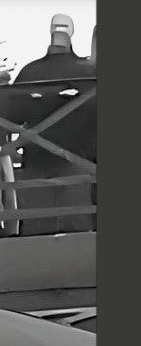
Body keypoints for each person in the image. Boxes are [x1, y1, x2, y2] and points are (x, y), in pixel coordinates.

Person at [11, 13, 95, 235]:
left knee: (37, 230)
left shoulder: (30, 72)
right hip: (77, 159)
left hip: (38, 161)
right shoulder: (87, 72)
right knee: (77, 229)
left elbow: (11, 114)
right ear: (72, 33)